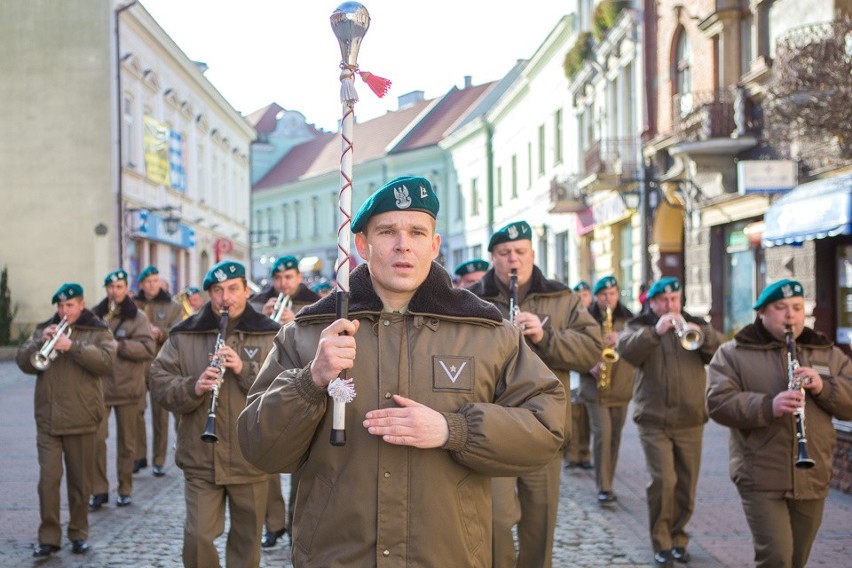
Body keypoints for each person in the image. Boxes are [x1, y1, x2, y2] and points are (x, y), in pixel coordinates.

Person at [237, 176, 566, 567]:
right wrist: (311, 380)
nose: (403, 244)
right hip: (336, 555)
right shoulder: (309, 334)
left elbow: (546, 427)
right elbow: (259, 447)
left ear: (434, 245)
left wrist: (454, 430)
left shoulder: (487, 333)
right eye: (388, 231)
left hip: (446, 556)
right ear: (362, 244)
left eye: (416, 232)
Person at [468, 220, 602, 568]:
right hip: (495, 428)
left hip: (544, 425)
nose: (513, 259)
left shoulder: (562, 297)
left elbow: (591, 350)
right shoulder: (472, 301)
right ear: (492, 258)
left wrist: (546, 338)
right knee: (495, 521)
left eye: (520, 252)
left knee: (539, 522)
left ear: (532, 254)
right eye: (504, 253)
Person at [707, 279, 852, 568]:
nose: (790, 315)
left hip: (813, 473)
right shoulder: (733, 353)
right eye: (780, 307)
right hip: (760, 474)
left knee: (797, 560)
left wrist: (824, 387)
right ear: (761, 312)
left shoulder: (828, 353)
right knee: (775, 558)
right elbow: (718, 403)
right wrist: (767, 406)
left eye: (797, 308)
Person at [150, 260, 280, 568]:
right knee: (198, 538)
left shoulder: (271, 333)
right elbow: (158, 382)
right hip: (200, 455)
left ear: (247, 291)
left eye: (234, 289)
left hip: (251, 456)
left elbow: (288, 385)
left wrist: (244, 369)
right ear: (209, 293)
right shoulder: (185, 334)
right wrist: (193, 387)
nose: (226, 298)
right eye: (218, 290)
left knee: (247, 541)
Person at [616, 276, 721, 566]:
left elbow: (719, 352)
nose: (670, 305)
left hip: (690, 419)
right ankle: (661, 542)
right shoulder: (639, 325)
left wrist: (703, 333)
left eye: (674, 299)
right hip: (654, 420)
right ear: (652, 302)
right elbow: (627, 351)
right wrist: (655, 332)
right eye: (664, 301)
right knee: (664, 481)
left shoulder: (695, 323)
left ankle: (678, 537)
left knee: (686, 486)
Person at [16, 283, 115, 557]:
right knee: (47, 480)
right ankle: (49, 537)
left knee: (79, 483)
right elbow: (24, 361)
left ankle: (78, 533)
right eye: (60, 306)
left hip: (82, 417)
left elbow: (106, 362)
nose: (63, 311)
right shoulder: (44, 328)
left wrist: (73, 347)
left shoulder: (98, 330)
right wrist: (40, 342)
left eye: (69, 305)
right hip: (48, 419)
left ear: (81, 305)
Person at [250, 254, 322, 548]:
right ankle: (274, 523)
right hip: (271, 384)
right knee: (266, 461)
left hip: (306, 387)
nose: (282, 284)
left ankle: (295, 524)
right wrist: (264, 320)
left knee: (304, 464)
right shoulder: (258, 304)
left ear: (298, 278)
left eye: (288, 278)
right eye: (278, 279)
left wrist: (297, 324)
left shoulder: (316, 305)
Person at [89, 270, 156, 510]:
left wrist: (119, 345)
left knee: (127, 443)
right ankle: (98, 489)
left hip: (128, 387)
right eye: (111, 287)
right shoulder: (95, 315)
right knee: (96, 441)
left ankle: (125, 489)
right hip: (101, 387)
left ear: (126, 288)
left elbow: (149, 348)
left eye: (119, 286)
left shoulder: (137, 316)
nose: (114, 291)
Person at [580, 275, 634, 505]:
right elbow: (575, 348)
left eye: (612, 294)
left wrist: (621, 338)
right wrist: (588, 363)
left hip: (620, 386)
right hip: (595, 389)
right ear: (596, 296)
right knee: (603, 435)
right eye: (603, 295)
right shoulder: (585, 318)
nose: (608, 299)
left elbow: (638, 345)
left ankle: (609, 479)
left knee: (615, 439)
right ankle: (604, 486)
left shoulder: (630, 319)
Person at [133, 265, 184, 477]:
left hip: (160, 364)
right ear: (142, 284)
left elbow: (178, 332)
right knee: (135, 412)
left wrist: (160, 333)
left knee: (160, 415)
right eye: (148, 282)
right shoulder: (133, 305)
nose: (152, 285)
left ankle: (159, 460)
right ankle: (139, 456)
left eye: (155, 281)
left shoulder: (172, 306)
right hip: (136, 365)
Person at [564, 279, 594, 471]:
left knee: (585, 419)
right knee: (572, 418)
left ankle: (584, 453)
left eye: (585, 295)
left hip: (589, 375)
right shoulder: (568, 317)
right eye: (579, 296)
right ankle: (572, 455)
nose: (582, 299)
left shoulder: (595, 317)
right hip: (574, 374)